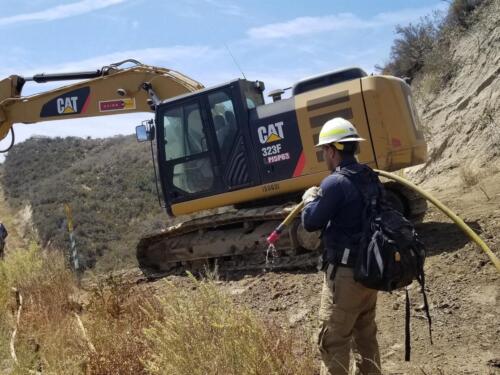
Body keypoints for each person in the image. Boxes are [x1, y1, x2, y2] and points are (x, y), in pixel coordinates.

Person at [301, 117, 381, 375]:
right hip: (370, 272)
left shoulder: (335, 183)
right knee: (365, 336)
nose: (324, 155)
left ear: (332, 151)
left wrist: (309, 200)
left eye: (324, 150)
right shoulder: (369, 176)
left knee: (333, 341)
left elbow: (312, 222)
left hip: (346, 278)